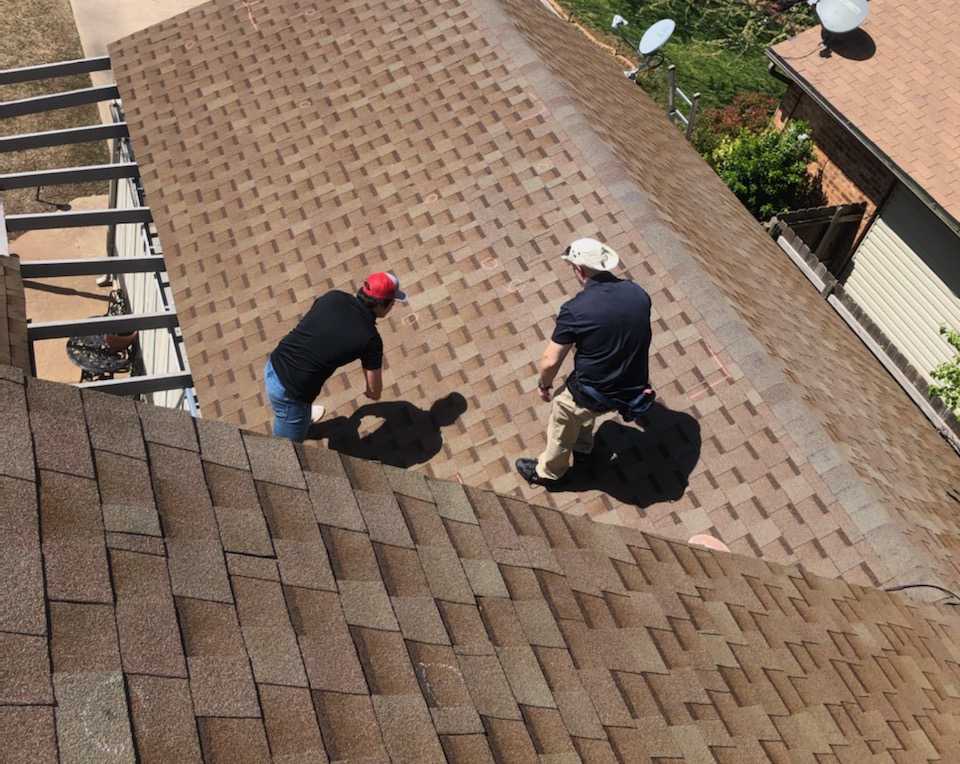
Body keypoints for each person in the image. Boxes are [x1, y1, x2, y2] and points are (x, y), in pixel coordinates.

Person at [515, 238, 654, 486]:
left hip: (593, 391)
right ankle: (583, 448)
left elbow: (550, 361)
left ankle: (549, 473)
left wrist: (544, 385)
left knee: (563, 414)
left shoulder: (576, 310)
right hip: (630, 389)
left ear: (579, 270)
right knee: (585, 412)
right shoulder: (638, 293)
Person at [264, 271, 405, 441]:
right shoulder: (370, 339)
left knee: (295, 407)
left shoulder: (334, 297)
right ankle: (295, 423)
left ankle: (300, 417)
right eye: (392, 303)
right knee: (285, 449)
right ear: (382, 305)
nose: (392, 308)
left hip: (275, 362)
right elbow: (374, 390)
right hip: (291, 393)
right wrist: (372, 393)